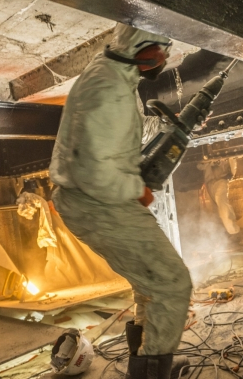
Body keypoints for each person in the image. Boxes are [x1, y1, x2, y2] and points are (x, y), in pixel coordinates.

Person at [49, 23, 192, 378]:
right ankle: (150, 372)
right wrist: (136, 189)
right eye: (160, 55)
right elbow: (95, 173)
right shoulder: (109, 89)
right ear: (144, 54)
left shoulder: (112, 70)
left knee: (150, 284)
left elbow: (117, 130)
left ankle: (145, 361)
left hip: (90, 200)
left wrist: (160, 128)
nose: (163, 61)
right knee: (172, 283)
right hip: (98, 202)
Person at [197, 159, 241, 236]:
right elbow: (199, 166)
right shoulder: (206, 153)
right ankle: (221, 234)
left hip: (222, 180)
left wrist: (232, 173)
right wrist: (208, 162)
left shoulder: (225, 152)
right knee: (216, 208)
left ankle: (233, 231)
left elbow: (233, 159)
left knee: (221, 200)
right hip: (210, 182)